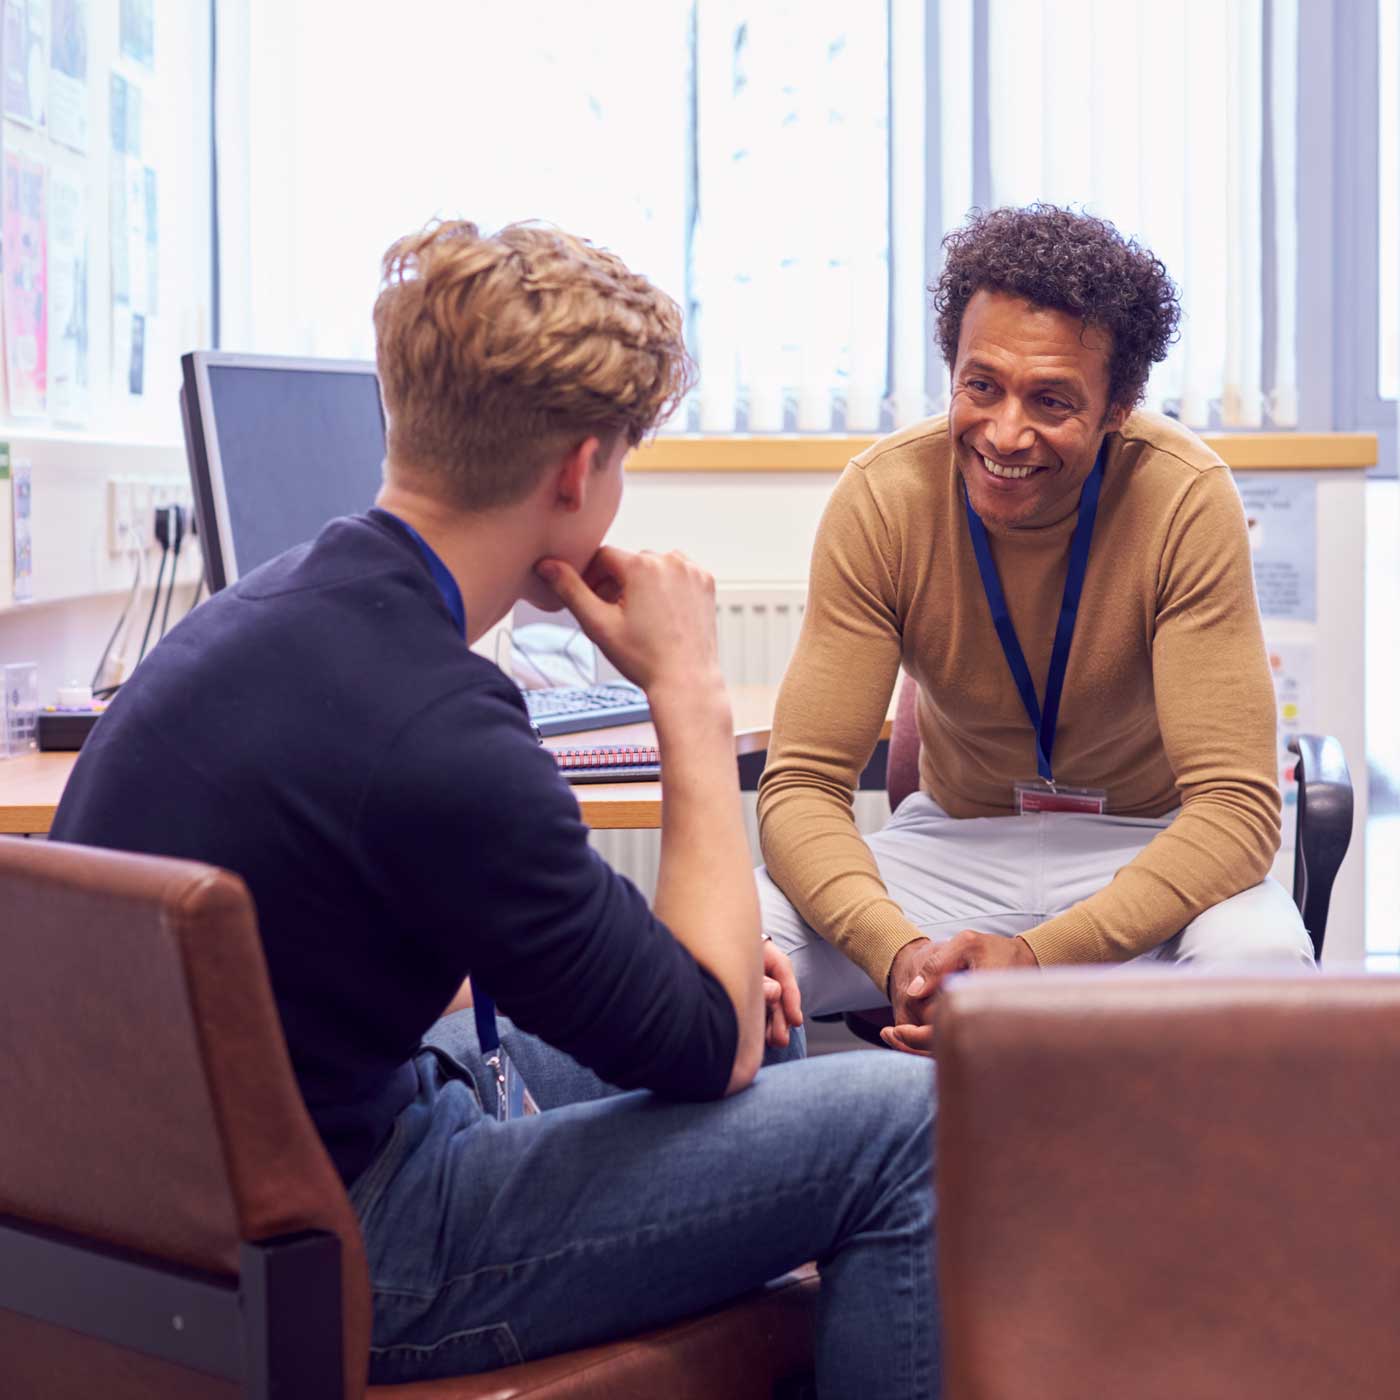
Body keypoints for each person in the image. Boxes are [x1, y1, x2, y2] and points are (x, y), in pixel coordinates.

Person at [50, 220, 938, 1395]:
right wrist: (685, 687)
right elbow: (705, 1044)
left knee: (764, 1022)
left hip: (182, 1213)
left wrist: (702, 991)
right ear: (577, 472)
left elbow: (619, 974)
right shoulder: (441, 728)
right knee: (914, 1122)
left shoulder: (266, 608)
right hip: (352, 1248)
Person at [756, 204, 1314, 1056]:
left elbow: (1236, 811)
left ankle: (1187, 1193)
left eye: (1052, 399)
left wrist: (1039, 958)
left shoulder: (1185, 499)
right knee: (730, 951)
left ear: (1119, 405)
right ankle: (806, 1176)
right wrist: (899, 952)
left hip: (1145, 848)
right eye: (982, 385)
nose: (1005, 433)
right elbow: (800, 788)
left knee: (1267, 967)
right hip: (952, 848)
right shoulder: (883, 498)